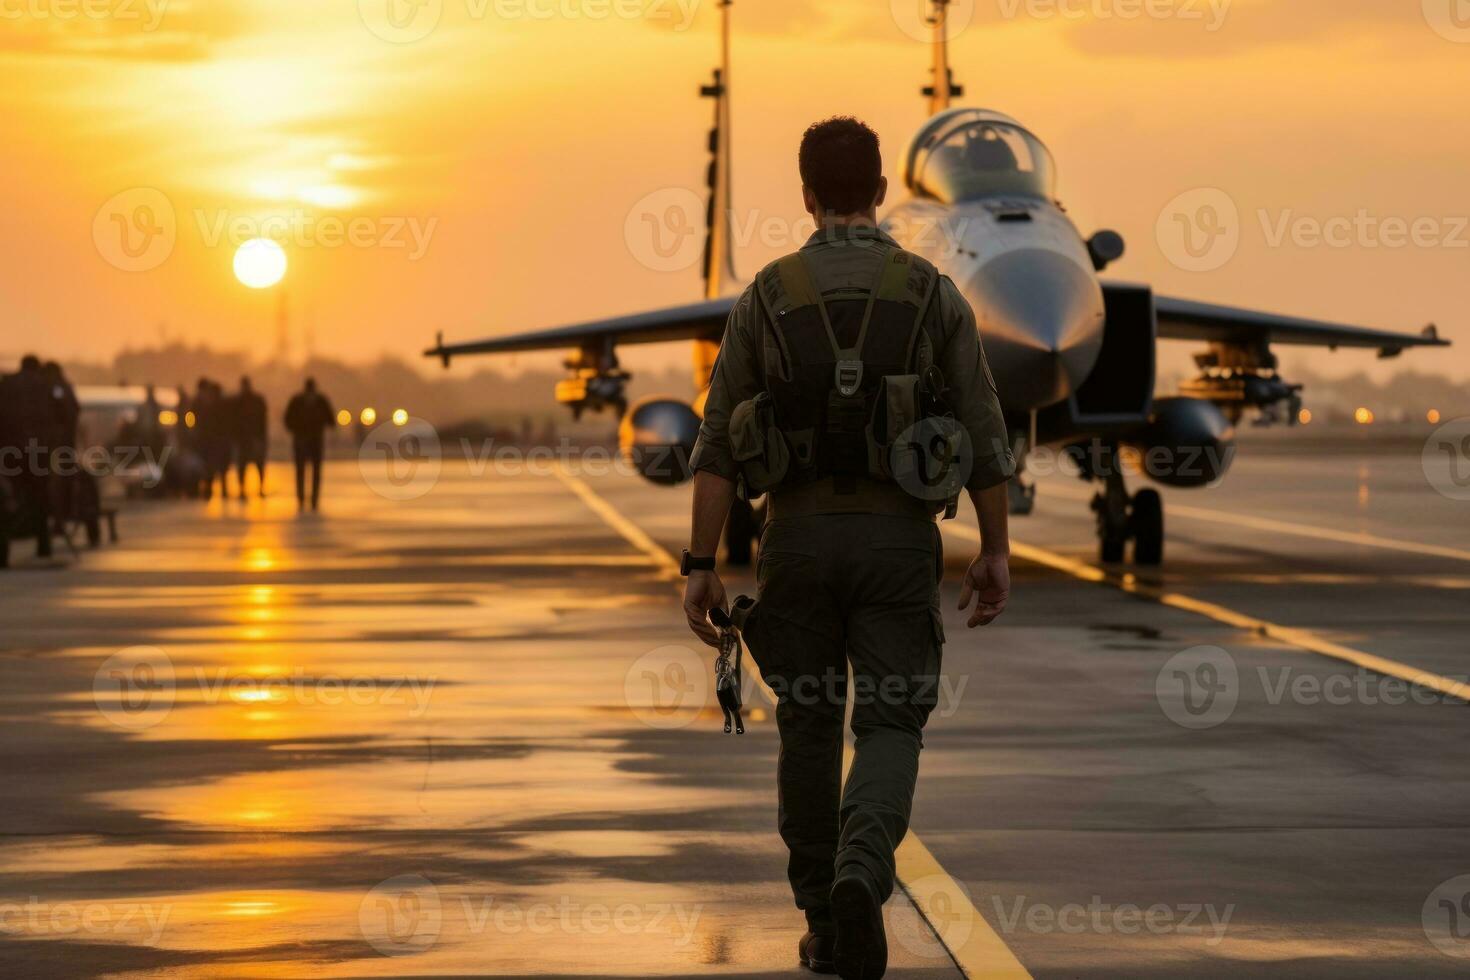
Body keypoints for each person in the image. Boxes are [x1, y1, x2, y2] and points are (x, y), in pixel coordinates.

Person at [681, 117, 1014, 980]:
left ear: (807, 195)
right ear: (878, 194)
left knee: (808, 724)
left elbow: (717, 440)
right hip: (898, 541)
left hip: (795, 543)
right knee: (893, 719)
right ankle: (864, 872)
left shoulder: (766, 293)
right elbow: (983, 429)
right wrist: (996, 550)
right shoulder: (932, 291)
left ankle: (826, 919)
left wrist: (700, 563)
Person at [0, 355, 60, 558]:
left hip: (9, 451)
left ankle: (3, 549)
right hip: (38, 452)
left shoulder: (6, 384)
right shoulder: (45, 386)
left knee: (7, 499)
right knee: (40, 498)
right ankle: (43, 544)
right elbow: (60, 415)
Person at [283, 377, 334, 510]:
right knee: (306, 471)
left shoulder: (313, 401)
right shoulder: (316, 401)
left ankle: (310, 500)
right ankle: (307, 499)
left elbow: (330, 420)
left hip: (311, 440)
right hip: (306, 440)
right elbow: (331, 420)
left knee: (308, 472)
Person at [232, 376, 269, 499]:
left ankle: (258, 488)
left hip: (253, 438)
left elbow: (262, 421)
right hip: (245, 439)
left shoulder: (253, 401)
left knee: (256, 465)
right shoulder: (242, 401)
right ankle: (244, 489)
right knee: (245, 466)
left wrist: (261, 438)